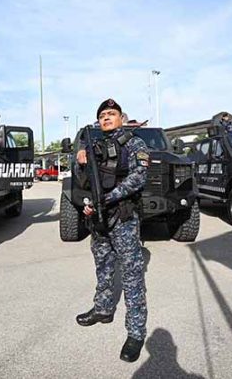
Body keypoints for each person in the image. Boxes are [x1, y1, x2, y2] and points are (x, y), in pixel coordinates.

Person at [75, 98, 149, 363]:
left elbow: (139, 177)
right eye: (102, 115)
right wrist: (80, 163)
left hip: (124, 217)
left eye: (111, 113)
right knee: (103, 267)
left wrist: (109, 198)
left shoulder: (134, 143)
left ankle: (136, 333)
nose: (106, 117)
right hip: (99, 218)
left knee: (132, 275)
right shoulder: (93, 146)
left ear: (121, 118)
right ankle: (103, 310)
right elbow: (85, 183)